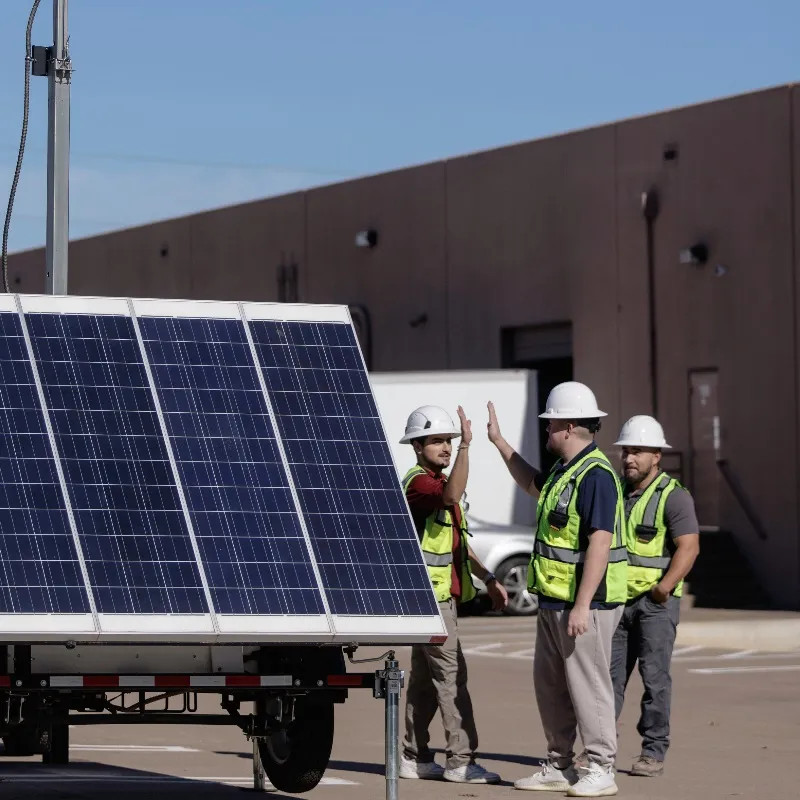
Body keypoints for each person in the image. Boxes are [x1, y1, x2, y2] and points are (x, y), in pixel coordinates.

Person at [487, 382, 627, 797]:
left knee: (589, 684)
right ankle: (559, 764)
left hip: (586, 604)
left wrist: (583, 605)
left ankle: (601, 767)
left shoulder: (596, 475)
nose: (546, 431)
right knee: (550, 685)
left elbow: (599, 542)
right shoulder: (567, 470)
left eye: (549, 425)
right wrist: (499, 444)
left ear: (566, 426)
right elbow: (533, 483)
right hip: (553, 600)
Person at [398, 404, 507, 784]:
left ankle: (414, 757)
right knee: (452, 678)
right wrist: (466, 449)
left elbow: (458, 543)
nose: (445, 446)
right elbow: (449, 496)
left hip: (434, 598)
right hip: (432, 600)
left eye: (449, 440)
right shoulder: (420, 484)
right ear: (417, 445)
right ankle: (461, 760)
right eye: (437, 441)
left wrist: (488, 577)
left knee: (426, 681)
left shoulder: (436, 482)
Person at [610, 415, 700, 778]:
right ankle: (599, 748)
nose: (629, 458)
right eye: (626, 451)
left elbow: (689, 547)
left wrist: (664, 588)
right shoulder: (616, 490)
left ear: (656, 456)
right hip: (617, 601)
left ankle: (653, 751)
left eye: (638, 451)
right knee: (608, 680)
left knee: (655, 679)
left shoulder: (673, 496)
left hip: (654, 605)